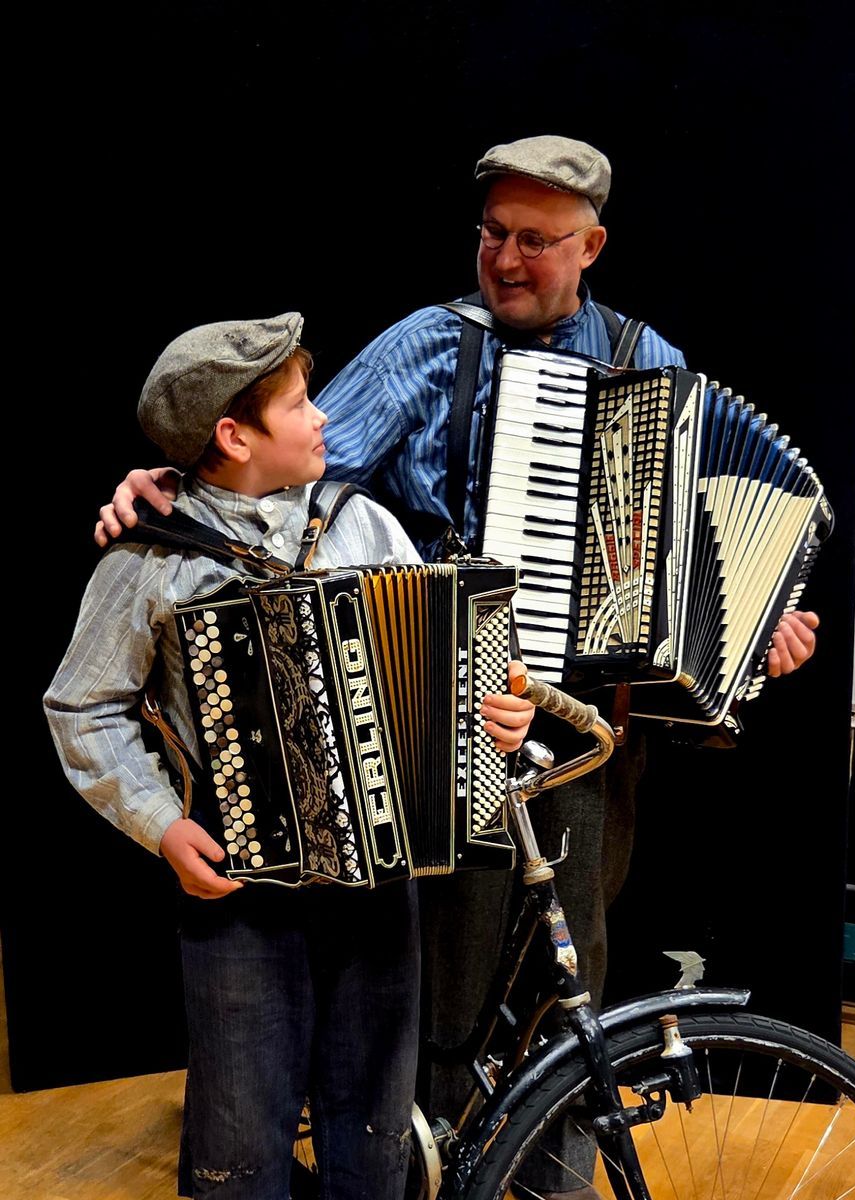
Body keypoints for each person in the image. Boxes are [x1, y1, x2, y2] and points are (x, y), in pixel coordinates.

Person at [94, 137, 818, 1199]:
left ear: (592, 247)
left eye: (537, 241)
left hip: (577, 729)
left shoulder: (646, 361)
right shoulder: (428, 345)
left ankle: (547, 1176)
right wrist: (170, 478)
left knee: (569, 969)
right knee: (443, 984)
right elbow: (276, 476)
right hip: (439, 710)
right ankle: (425, 1168)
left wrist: (766, 630)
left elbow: (707, 539)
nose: (509, 260)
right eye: (494, 235)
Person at [45, 312, 534, 1200]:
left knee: (376, 1120)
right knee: (241, 1128)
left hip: (383, 885)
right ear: (232, 436)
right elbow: (82, 706)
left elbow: (452, 664)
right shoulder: (154, 561)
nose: (323, 420)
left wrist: (488, 718)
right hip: (243, 894)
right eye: (301, 403)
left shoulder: (362, 523)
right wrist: (162, 826)